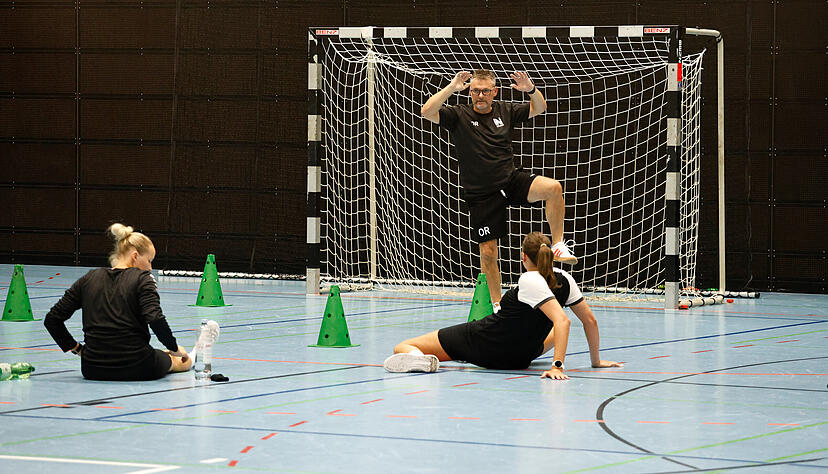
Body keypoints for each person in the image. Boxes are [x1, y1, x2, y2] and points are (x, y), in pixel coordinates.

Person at [421, 69, 578, 308]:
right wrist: (452, 87)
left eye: (485, 91)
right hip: (482, 192)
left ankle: (557, 244)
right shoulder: (458, 115)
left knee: (553, 188)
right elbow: (426, 112)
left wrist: (531, 90)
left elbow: (540, 108)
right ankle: (497, 305)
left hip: (510, 180)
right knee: (488, 252)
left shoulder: (506, 109)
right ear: (470, 91)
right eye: (475, 90)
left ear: (494, 92)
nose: (480, 95)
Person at [383, 232, 620, 380]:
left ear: (523, 257)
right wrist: (596, 361)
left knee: (403, 345)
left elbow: (563, 321)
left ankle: (421, 360)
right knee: (548, 327)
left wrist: (557, 366)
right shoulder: (565, 279)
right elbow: (589, 321)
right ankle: (432, 358)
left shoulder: (529, 279)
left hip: (487, 344)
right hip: (522, 356)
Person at [44, 223, 196, 381]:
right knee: (179, 361)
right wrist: (174, 348)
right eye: (149, 260)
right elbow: (155, 318)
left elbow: (52, 319)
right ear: (135, 256)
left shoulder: (88, 278)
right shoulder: (143, 279)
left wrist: (78, 349)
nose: (150, 268)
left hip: (93, 368)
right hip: (139, 366)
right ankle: (193, 356)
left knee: (160, 354)